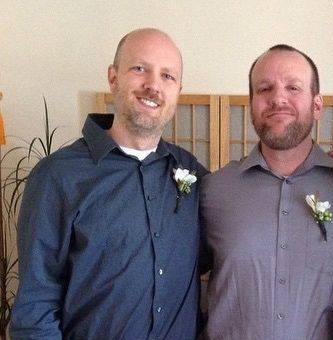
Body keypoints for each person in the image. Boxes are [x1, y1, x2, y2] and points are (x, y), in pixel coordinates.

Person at [10, 28, 207, 339]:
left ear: (178, 90)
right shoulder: (57, 177)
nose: (153, 85)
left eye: (167, 76)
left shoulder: (191, 171)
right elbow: (36, 307)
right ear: (113, 78)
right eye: (140, 68)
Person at [200, 45, 333, 340]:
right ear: (251, 104)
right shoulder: (214, 190)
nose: (278, 98)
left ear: (317, 106)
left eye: (293, 87)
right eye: (265, 88)